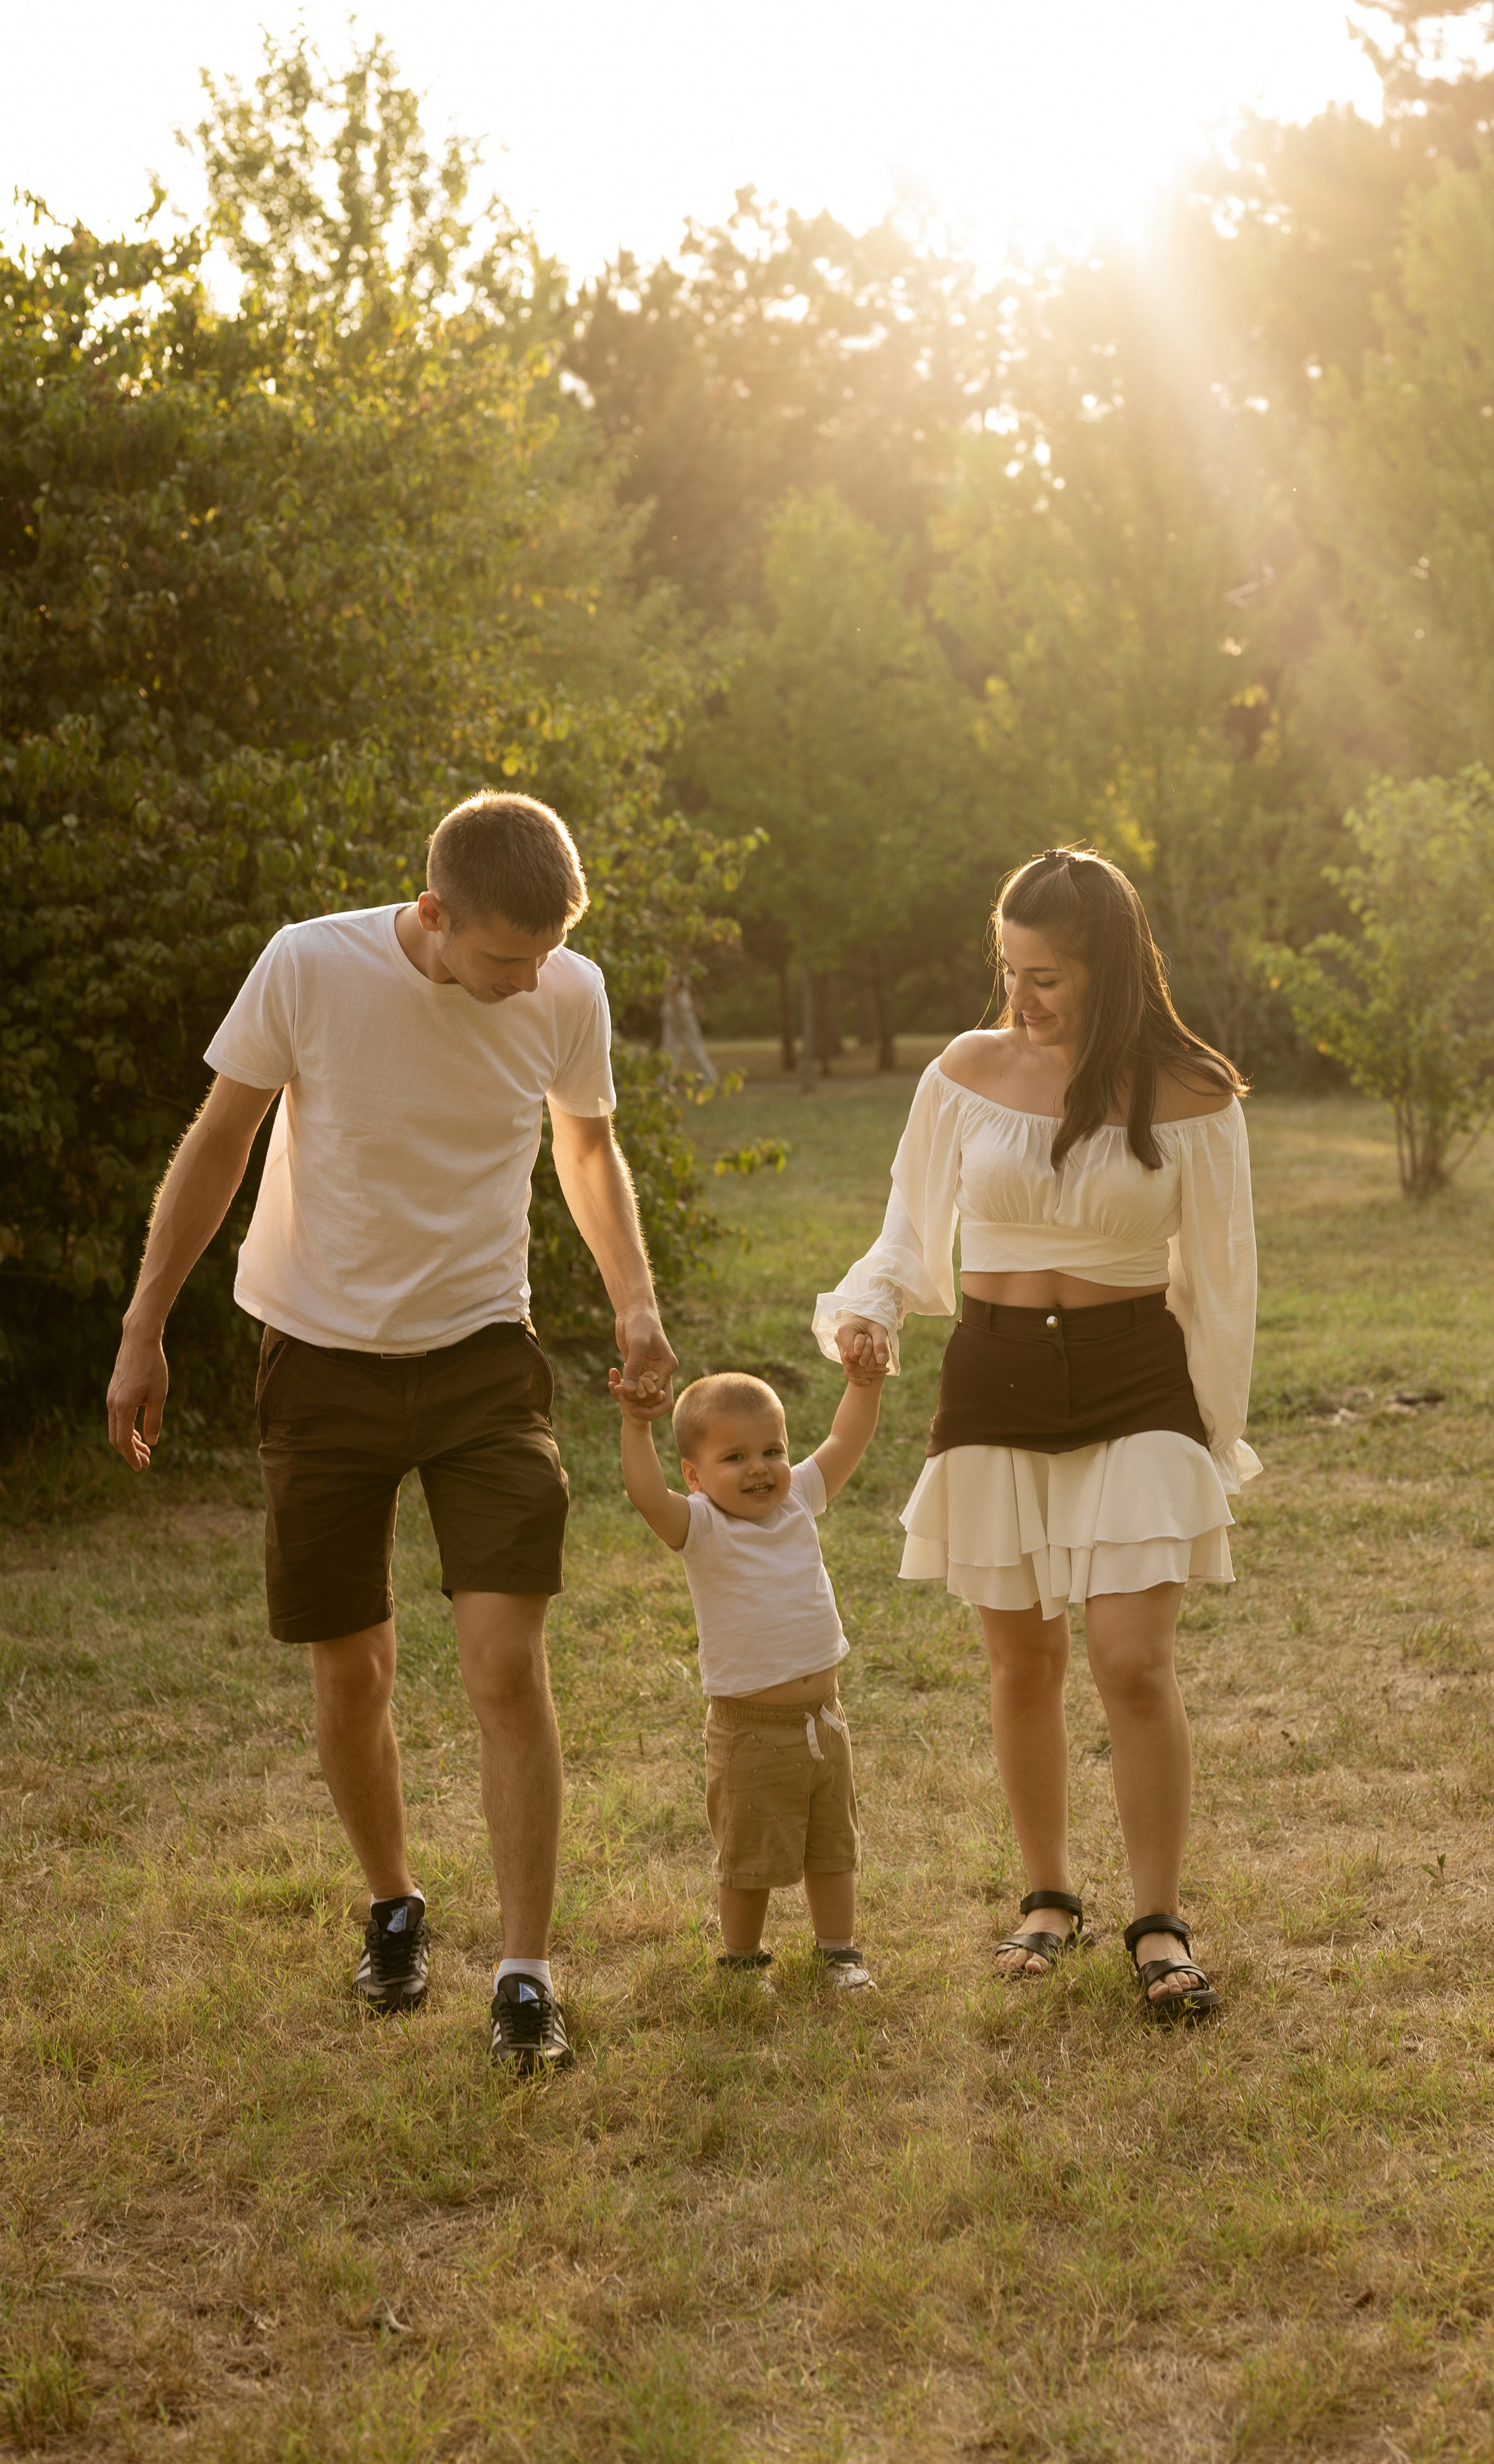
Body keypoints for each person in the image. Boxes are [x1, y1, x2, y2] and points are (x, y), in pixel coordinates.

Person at [104, 791, 678, 2073]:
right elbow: (219, 1146)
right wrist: (142, 1330)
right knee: (350, 1667)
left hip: (481, 1355)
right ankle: (394, 1904)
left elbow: (585, 1149)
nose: (528, 981)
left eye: (544, 956)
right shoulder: (311, 964)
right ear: (432, 915)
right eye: (502, 960)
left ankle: (525, 1975)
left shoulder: (563, 989)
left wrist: (635, 1302)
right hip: (318, 1358)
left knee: (499, 1663)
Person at [814, 849, 1258, 2018]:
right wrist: (869, 1312)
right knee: (1023, 1660)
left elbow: (1221, 1283)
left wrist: (1215, 1434)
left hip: (1135, 1380)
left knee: (1131, 1657)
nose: (1021, 997)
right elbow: (909, 1230)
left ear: (1111, 965)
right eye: (1009, 969)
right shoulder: (967, 1070)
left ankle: (1157, 1919)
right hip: (997, 1375)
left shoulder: (1194, 1088)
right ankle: (1048, 1894)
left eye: (1048, 976)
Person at [613, 1365, 883, 1993]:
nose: (760, 1468)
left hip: (824, 1720)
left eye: (773, 1450)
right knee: (748, 1857)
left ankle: (838, 1952)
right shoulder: (703, 1525)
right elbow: (646, 1495)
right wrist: (636, 1425)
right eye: (735, 1456)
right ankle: (741, 1959)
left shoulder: (796, 1500)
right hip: (751, 1731)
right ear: (696, 1475)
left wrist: (864, 1384)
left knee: (832, 1846)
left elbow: (846, 1442)